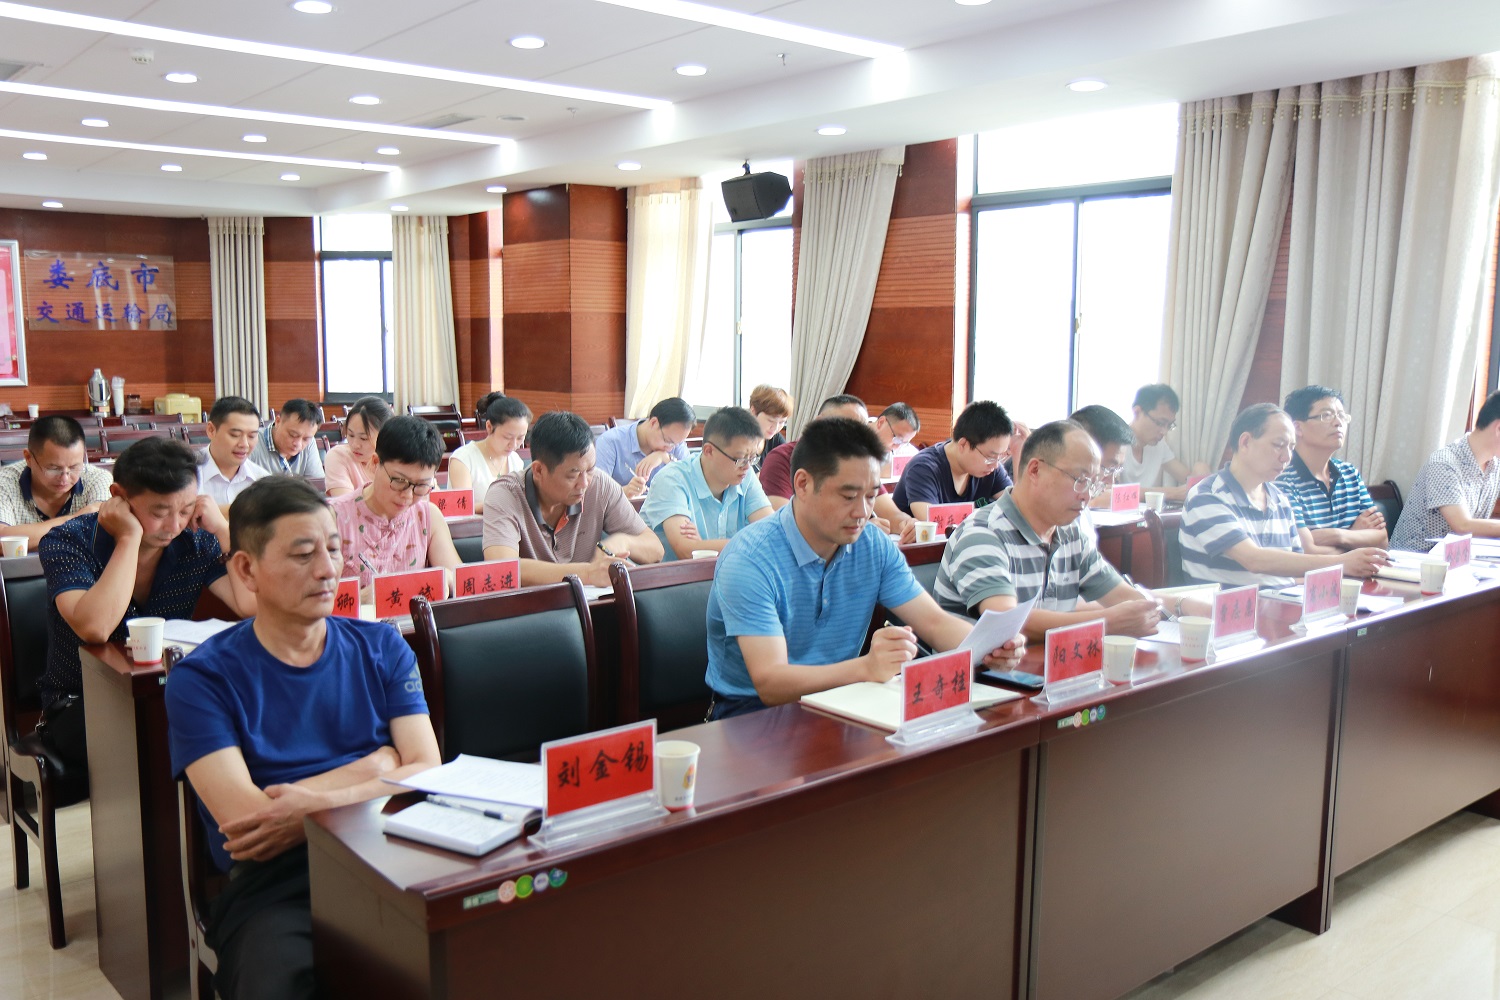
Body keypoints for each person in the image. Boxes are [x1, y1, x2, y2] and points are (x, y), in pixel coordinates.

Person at [165, 476, 440, 1000]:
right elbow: (249, 823)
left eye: (333, 549)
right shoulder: (201, 679)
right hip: (278, 885)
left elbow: (427, 770)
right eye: (303, 554)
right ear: (246, 569)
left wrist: (312, 807)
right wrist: (378, 767)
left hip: (391, 850)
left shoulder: (382, 645)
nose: (327, 569)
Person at [703, 417, 1027, 719]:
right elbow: (771, 683)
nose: (863, 512)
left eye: (871, 496)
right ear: (802, 484)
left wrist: (991, 647)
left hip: (845, 699)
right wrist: (866, 668)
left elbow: (934, 622)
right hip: (751, 714)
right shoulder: (750, 559)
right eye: (848, 496)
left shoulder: (872, 545)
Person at [37, 437, 253, 772]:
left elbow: (251, 606)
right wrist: (128, 537)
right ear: (118, 497)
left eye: (186, 510)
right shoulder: (68, 541)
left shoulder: (196, 539)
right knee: (174, 735)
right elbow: (95, 628)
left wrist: (224, 531)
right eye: (159, 513)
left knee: (240, 717)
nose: (174, 526)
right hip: (82, 703)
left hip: (170, 691)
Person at [935, 421, 1206, 641]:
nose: (1087, 495)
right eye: (1080, 480)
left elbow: (1124, 596)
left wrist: (1176, 607)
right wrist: (1106, 622)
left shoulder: (1070, 534)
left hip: (1045, 674)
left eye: (1094, 484)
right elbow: (1007, 621)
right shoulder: (983, 533)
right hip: (981, 682)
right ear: (1035, 470)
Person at [1181, 403, 1387, 586]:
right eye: (1278, 445)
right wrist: (1341, 563)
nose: (1287, 457)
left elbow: (1294, 571)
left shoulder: (1279, 499)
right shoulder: (1207, 496)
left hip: (1282, 604)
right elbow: (1254, 560)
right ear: (1245, 442)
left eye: (1291, 447)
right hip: (1230, 612)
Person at [482, 410, 663, 586]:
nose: (584, 483)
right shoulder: (505, 494)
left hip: (589, 603)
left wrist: (624, 541)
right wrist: (587, 573)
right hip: (531, 605)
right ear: (539, 470)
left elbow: (656, 550)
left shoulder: (600, 485)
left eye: (590, 470)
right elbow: (502, 569)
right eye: (573, 474)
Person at [329, 416, 463, 596]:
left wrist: (446, 576)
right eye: (399, 481)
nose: (408, 495)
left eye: (421, 486)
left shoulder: (427, 517)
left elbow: (459, 581)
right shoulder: (333, 518)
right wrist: (362, 598)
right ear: (375, 463)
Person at [640, 406, 772, 560]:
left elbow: (771, 535)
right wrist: (752, 542)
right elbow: (687, 551)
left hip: (726, 571)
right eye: (741, 458)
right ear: (709, 451)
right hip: (674, 574)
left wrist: (703, 545)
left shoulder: (745, 476)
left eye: (753, 458)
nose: (748, 466)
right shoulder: (671, 480)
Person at [1276, 385, 1387, 552]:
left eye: (1341, 416)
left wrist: (1339, 535)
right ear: (1297, 428)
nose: (1338, 422)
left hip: (1350, 569)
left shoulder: (1350, 474)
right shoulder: (1283, 480)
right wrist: (1355, 538)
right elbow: (1303, 551)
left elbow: (1382, 540)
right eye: (1326, 415)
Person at [876, 399, 1014, 531]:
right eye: (990, 457)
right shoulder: (924, 467)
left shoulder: (991, 468)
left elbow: (1016, 507)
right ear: (963, 444)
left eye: (1000, 457)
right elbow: (932, 522)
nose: (996, 465)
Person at [1391, 390, 1500, 550]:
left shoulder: (1494, 466)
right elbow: (1462, 526)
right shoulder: (1444, 463)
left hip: (1456, 559)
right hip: (1414, 559)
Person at [0, 415, 113, 547]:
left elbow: (101, 531)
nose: (65, 478)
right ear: (29, 458)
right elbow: (2, 541)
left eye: (74, 467)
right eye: (53, 469)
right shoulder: (5, 482)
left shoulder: (97, 479)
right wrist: (78, 519)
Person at [759, 394, 870, 509]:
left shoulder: (860, 462)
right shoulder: (783, 458)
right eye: (845, 427)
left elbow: (879, 508)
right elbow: (781, 515)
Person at [593, 397, 695, 498]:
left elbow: (692, 481)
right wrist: (625, 491)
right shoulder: (610, 442)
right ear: (654, 423)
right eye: (668, 441)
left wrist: (665, 457)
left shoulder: (675, 441)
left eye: (676, 444)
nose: (670, 448)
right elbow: (597, 493)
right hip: (623, 506)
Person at [1122, 384, 1210, 502]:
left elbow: (1186, 477)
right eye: (1160, 423)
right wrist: (1172, 493)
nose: (1164, 431)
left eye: (1169, 425)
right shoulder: (1115, 444)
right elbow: (1106, 493)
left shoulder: (1159, 445)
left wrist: (1200, 469)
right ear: (1137, 412)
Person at [448, 395, 531, 513]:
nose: (513, 445)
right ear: (489, 427)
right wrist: (501, 504)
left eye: (520, 438)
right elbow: (463, 506)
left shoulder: (515, 460)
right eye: (507, 437)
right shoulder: (464, 459)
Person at [198, 396, 269, 508]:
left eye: (252, 436)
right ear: (211, 430)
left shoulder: (262, 480)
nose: (244, 444)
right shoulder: (187, 474)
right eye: (235, 435)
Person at [324, 396, 391, 497]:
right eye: (351, 435)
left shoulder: (395, 460)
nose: (355, 445)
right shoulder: (338, 456)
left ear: (385, 437)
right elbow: (345, 503)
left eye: (364, 438)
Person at [250, 399, 325, 479]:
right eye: (293, 435)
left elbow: (317, 483)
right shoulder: (252, 441)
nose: (298, 444)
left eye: (305, 439)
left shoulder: (310, 443)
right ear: (278, 421)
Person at [748, 384, 794, 472]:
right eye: (771, 420)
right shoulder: (738, 440)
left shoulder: (775, 439)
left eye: (782, 422)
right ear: (753, 411)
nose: (776, 428)